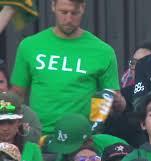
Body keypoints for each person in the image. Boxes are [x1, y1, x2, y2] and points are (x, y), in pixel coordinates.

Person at [10, 0, 125, 135]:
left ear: (82, 8)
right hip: (39, 137)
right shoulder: (29, 46)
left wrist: (118, 102)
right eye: (63, 12)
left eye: (74, 13)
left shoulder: (103, 51)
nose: (69, 19)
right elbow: (17, 94)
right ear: (53, 6)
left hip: (83, 141)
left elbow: (115, 101)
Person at [40, 113, 128, 161]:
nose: (67, 153)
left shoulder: (114, 145)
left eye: (71, 148)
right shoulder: (63, 160)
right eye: (64, 149)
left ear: (89, 141)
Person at [0, 92, 43, 161]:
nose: (5, 128)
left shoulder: (32, 150)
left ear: (19, 122)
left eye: (11, 122)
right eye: (0, 122)